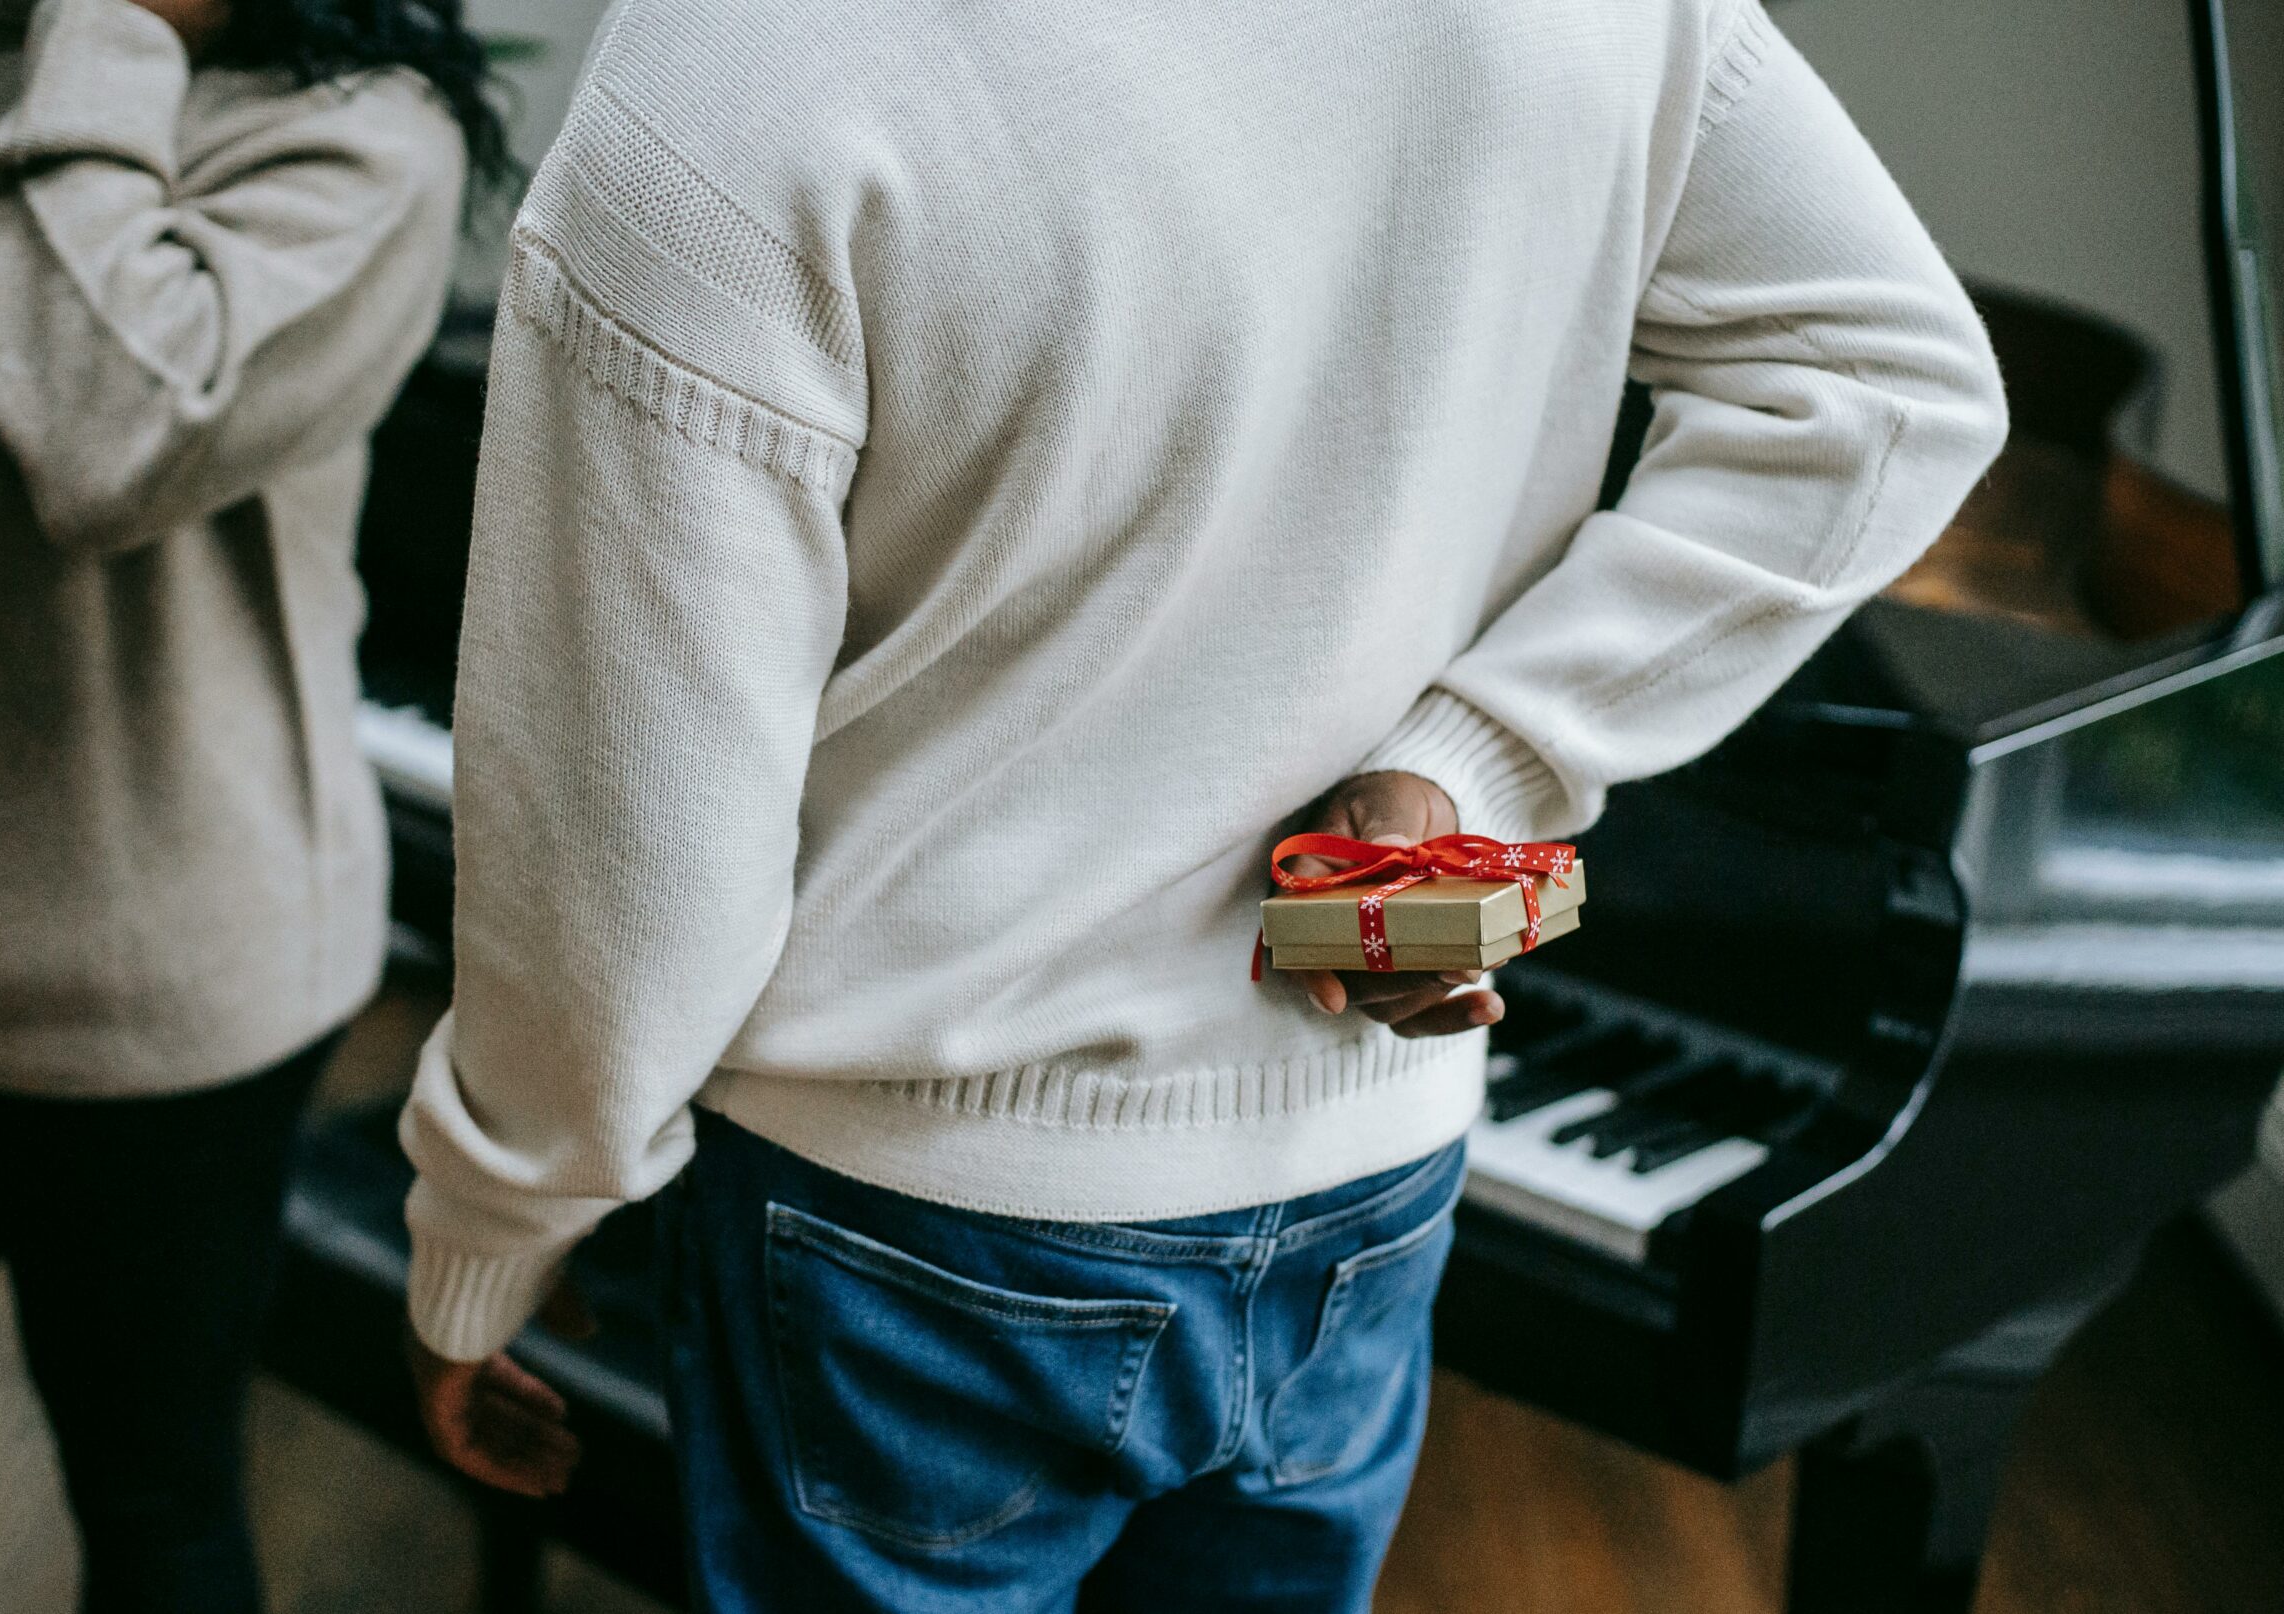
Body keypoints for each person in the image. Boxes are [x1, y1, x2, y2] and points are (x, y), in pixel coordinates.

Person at [400, 1, 2008, 1609]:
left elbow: (620, 845)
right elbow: (1890, 385)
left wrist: (496, 1231)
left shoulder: (730, 65)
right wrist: (1480, 759)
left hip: (909, 1215)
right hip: (1368, 1175)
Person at [0, 0, 495, 1608]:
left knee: (151, 1512)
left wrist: (109, 27)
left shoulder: (357, 133)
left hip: (150, 993)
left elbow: (102, 423)